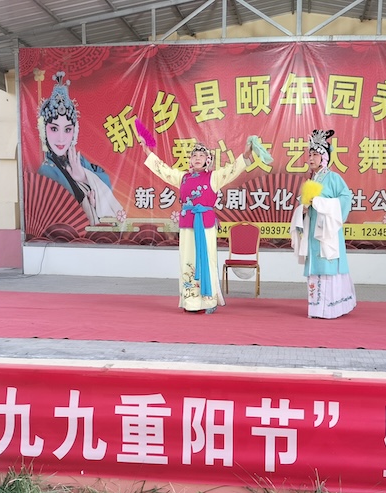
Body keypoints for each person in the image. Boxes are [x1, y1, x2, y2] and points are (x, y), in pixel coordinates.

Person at [138, 137, 254, 313]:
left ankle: (208, 301)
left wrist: (245, 155)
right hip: (188, 225)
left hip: (205, 225)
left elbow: (231, 171)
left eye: (201, 155)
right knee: (187, 260)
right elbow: (164, 171)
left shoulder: (214, 177)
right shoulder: (183, 178)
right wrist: (147, 151)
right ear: (190, 160)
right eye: (194, 156)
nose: (198, 158)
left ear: (208, 160)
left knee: (206, 260)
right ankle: (190, 301)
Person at [37, 71, 123, 227]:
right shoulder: (46, 170)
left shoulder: (79, 161)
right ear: (44, 129)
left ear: (74, 131)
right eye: (54, 129)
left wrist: (84, 177)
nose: (61, 138)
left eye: (67, 129)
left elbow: (105, 181)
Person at [290, 129, 356, 319]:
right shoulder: (311, 181)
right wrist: (303, 210)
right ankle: (317, 308)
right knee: (316, 268)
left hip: (327, 232)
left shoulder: (334, 178)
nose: (311, 158)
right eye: (309, 155)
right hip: (312, 231)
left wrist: (320, 203)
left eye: (315, 155)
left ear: (324, 157)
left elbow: (345, 200)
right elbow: (302, 206)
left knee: (328, 267)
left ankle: (331, 308)